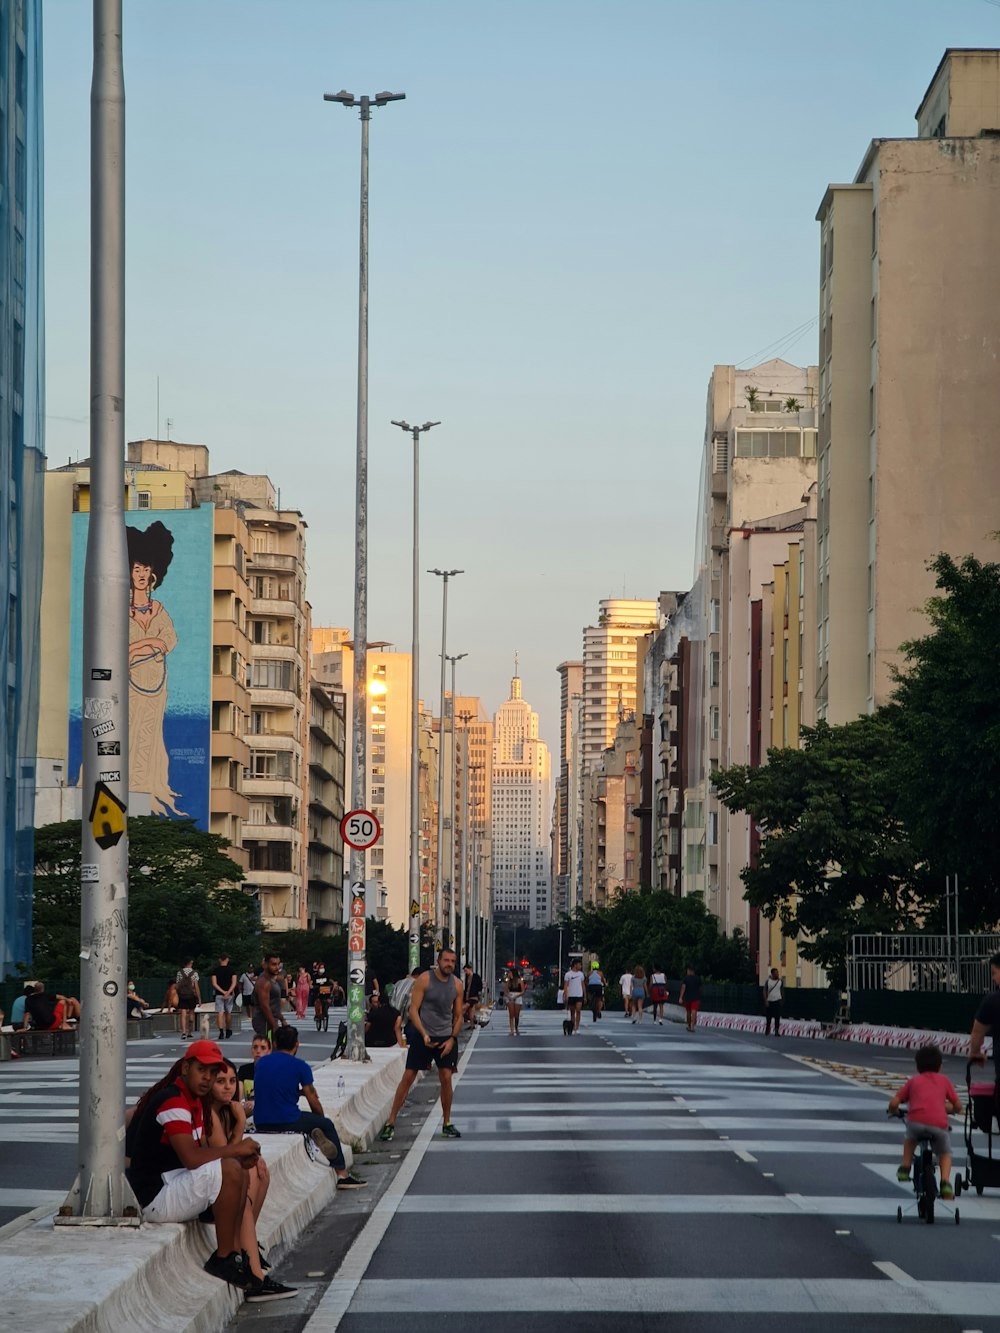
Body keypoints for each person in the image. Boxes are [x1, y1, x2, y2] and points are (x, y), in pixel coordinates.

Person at [125, 1039, 262, 1290]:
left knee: (236, 1167)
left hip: (172, 1183)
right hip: (154, 1198)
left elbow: (201, 1154)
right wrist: (236, 1149)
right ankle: (222, 1258)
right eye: (202, 1070)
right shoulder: (173, 1101)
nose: (207, 1078)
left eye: (213, 1073)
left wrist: (238, 1155)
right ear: (186, 1068)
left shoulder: (194, 1100)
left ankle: (233, 1254)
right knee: (231, 1166)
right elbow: (191, 1158)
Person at [203, 1059, 297, 1302]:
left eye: (232, 1082)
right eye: (221, 1082)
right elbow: (228, 1162)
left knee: (259, 1174)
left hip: (216, 1183)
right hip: (205, 1191)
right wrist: (242, 1124)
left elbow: (236, 1156)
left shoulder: (226, 1110)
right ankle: (256, 1280)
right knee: (242, 1194)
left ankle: (245, 1248)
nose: (228, 1088)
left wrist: (255, 1157)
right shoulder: (211, 1115)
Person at [252, 1025, 365, 1189]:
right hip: (286, 1121)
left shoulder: (261, 1063)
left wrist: (296, 1093)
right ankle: (342, 1174)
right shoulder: (300, 1066)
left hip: (260, 1121)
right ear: (296, 1044)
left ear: (274, 1043)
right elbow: (313, 1099)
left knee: (305, 1119)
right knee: (326, 1125)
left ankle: (313, 1135)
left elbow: (273, 1088)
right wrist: (320, 1118)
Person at [126, 520, 184, 817]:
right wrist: (148, 644)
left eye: (146, 570)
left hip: (156, 687)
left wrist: (142, 646)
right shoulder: (118, 609)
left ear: (153, 575)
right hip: (130, 687)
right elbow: (119, 650)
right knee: (130, 734)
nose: (141, 575)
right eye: (136, 570)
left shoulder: (160, 609)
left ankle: (144, 795)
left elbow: (169, 641)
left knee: (150, 737)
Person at [379, 948, 465, 1142]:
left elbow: (459, 1015)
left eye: (453, 961)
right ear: (438, 961)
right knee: (409, 1076)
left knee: (446, 1077)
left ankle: (447, 1123)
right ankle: (390, 1122)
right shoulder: (424, 980)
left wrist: (452, 1038)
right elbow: (413, 1011)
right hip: (422, 1034)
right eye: (446, 960)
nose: (449, 964)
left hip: (445, 1036)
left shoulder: (457, 985)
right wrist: (424, 1034)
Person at [887, 1044, 962, 1201]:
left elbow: (894, 1103)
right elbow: (958, 1106)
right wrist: (952, 1109)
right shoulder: (944, 1081)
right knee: (945, 1152)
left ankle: (905, 1167)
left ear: (917, 1066)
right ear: (940, 1066)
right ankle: (945, 1183)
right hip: (939, 1125)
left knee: (910, 1139)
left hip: (915, 1122)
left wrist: (893, 1111)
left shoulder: (913, 1081)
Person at [970, 951, 1000, 1087]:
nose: (993, 978)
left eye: (994, 973)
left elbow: (978, 1031)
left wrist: (975, 1052)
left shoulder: (993, 1001)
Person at [237, 1034, 271, 1119]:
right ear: (251, 1050)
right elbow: (237, 1096)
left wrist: (255, 1103)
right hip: (248, 1110)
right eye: (255, 1047)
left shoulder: (273, 1071)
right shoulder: (244, 1070)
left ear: (269, 1051)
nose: (258, 1051)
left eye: (263, 1048)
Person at [253, 954, 287, 1041]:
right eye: (273, 964)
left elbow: (273, 1004)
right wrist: (274, 1025)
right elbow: (265, 1006)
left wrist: (282, 1019)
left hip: (271, 1020)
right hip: (264, 1021)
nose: (277, 967)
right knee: (269, 1049)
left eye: (278, 964)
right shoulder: (264, 982)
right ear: (265, 965)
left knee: (274, 1049)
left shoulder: (272, 980)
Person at [212, 954, 238, 1042]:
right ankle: (228, 1030)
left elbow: (214, 983)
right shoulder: (232, 970)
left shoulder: (215, 971)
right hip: (229, 994)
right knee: (228, 1012)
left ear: (220, 960)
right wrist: (228, 992)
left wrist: (223, 992)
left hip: (219, 994)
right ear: (227, 959)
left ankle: (221, 1031)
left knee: (220, 1012)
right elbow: (234, 983)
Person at [175, 959, 201, 1039]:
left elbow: (177, 986)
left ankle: (183, 1032)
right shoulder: (194, 973)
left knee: (183, 1013)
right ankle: (190, 1032)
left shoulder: (179, 973)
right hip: (191, 995)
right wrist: (199, 998)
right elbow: (196, 986)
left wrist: (179, 993)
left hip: (182, 995)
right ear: (190, 963)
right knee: (191, 1013)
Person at [563, 959, 586, 1033]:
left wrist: (584, 995)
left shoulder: (581, 974)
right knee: (572, 1012)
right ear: (575, 965)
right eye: (579, 964)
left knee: (578, 1011)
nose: (580, 966)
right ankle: (572, 1027)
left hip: (579, 995)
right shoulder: (568, 974)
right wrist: (566, 995)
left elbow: (583, 985)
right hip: (571, 995)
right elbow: (566, 986)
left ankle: (577, 1027)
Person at [678, 965, 702, 1032]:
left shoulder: (686, 978)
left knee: (688, 1012)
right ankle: (692, 1027)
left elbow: (683, 987)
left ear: (689, 970)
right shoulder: (698, 978)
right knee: (694, 1011)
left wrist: (681, 997)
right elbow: (700, 988)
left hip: (688, 997)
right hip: (696, 997)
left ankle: (689, 1025)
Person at [503, 968, 525, 1036]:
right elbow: (505, 991)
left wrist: (517, 996)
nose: (508, 974)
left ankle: (516, 1027)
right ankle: (512, 1030)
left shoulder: (519, 981)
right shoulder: (508, 981)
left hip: (518, 996)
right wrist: (508, 996)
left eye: (509, 973)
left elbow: (523, 991)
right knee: (511, 1014)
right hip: (510, 997)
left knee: (516, 1015)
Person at [313, 962, 334, 1032]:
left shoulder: (326, 975)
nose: (322, 969)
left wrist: (333, 985)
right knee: (318, 1002)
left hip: (326, 992)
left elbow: (330, 981)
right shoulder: (315, 976)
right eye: (321, 968)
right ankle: (317, 1015)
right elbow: (311, 983)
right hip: (318, 993)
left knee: (327, 1002)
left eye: (323, 967)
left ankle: (325, 1013)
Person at [763, 968, 784, 1036]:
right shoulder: (768, 981)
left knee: (777, 1016)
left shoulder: (780, 981)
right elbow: (764, 991)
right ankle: (767, 1029)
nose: (777, 974)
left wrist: (782, 999)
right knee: (768, 1017)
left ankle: (776, 1030)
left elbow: (782, 991)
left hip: (777, 1000)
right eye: (775, 973)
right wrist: (766, 1000)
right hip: (770, 1000)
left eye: (777, 973)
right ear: (772, 974)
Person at [462, 963, 483, 1029]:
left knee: (463, 1008)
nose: (465, 972)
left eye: (466, 970)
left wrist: (477, 992)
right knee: (471, 1011)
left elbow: (480, 986)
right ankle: (472, 1025)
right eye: (465, 971)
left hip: (473, 996)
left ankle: (457, 1021)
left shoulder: (476, 976)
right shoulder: (467, 978)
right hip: (468, 996)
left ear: (470, 969)